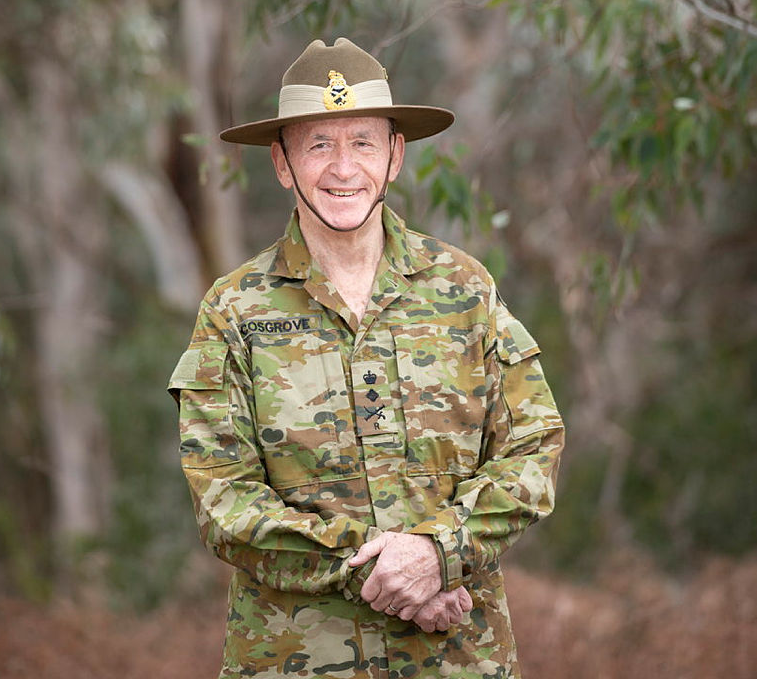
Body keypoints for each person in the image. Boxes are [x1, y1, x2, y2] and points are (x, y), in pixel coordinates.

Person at [169, 37, 564, 678]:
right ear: (281, 162)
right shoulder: (234, 310)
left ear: (395, 156)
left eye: (363, 142)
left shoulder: (464, 290)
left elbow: (535, 448)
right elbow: (225, 503)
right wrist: (384, 573)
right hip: (295, 662)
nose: (342, 168)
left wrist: (441, 553)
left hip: (458, 660)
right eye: (318, 144)